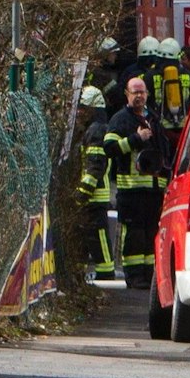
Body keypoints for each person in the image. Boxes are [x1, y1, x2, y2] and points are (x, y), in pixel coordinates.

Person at [105, 76, 169, 289]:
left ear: (147, 94)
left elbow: (163, 149)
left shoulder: (154, 119)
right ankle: (133, 276)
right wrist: (135, 139)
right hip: (131, 190)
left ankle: (150, 276)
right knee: (134, 234)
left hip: (154, 189)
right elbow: (109, 149)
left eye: (142, 92)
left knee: (152, 232)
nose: (139, 96)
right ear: (127, 94)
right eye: (135, 92)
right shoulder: (120, 120)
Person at [76, 85, 118, 282]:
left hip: (95, 195)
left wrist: (83, 192)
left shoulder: (96, 130)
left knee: (97, 234)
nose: (80, 112)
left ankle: (106, 271)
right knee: (89, 235)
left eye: (84, 108)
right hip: (94, 194)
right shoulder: (94, 128)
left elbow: (95, 165)